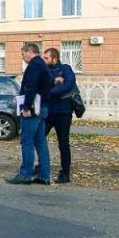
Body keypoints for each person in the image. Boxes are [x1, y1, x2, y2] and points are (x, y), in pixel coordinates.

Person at [6, 44, 53, 185]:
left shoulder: (34, 65)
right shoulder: (43, 65)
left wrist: (25, 107)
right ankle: (44, 176)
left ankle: (25, 175)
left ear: (30, 52)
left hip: (32, 110)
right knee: (41, 143)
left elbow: (31, 87)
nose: (22, 57)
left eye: (23, 54)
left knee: (27, 142)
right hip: (42, 107)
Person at [43, 48, 76, 184]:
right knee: (39, 140)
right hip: (47, 112)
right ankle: (41, 166)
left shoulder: (66, 69)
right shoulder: (45, 70)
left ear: (54, 58)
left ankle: (65, 173)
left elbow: (69, 84)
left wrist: (51, 91)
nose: (44, 60)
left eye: (46, 58)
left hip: (63, 112)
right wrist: (54, 81)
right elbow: (42, 85)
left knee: (63, 144)